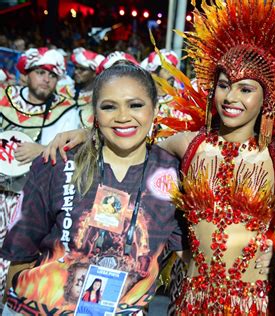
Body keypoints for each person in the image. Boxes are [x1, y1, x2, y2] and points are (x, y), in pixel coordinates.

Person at [42, 1, 275, 314]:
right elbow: (128, 140)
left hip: (255, 303)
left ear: (267, 98)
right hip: (190, 300)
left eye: (246, 89)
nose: (232, 97)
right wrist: (88, 134)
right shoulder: (186, 145)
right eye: (224, 84)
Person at [0, 62, 186, 315]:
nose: (122, 116)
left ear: (154, 108)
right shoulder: (59, 162)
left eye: (135, 105)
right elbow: (21, 251)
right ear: (95, 113)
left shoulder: (172, 175)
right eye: (109, 106)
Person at [0, 47, 79, 297]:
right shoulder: (4, 97)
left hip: (28, 201)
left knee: (12, 265)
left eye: (53, 75)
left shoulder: (67, 111)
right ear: (26, 73)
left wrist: (42, 149)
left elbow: (72, 153)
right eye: (40, 72)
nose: (46, 78)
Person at [68, 47, 105, 127]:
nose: (76, 72)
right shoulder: (64, 90)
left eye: (82, 69)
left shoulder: (102, 97)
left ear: (94, 73)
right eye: (76, 67)